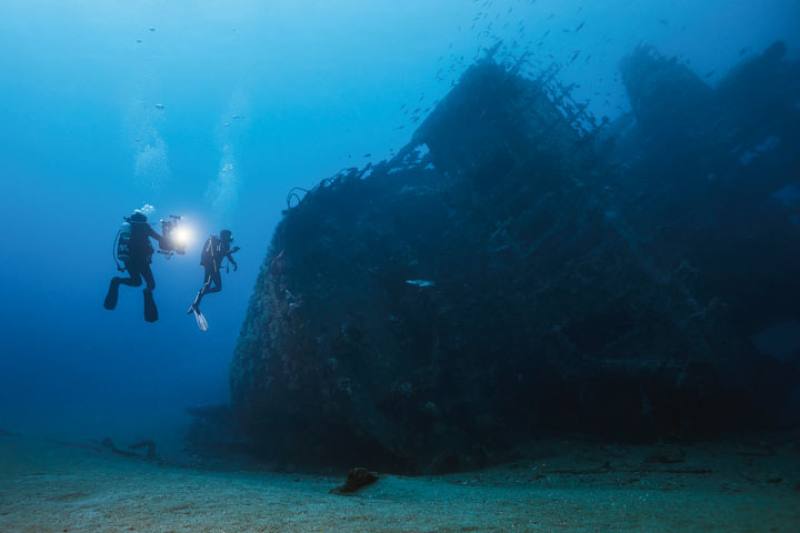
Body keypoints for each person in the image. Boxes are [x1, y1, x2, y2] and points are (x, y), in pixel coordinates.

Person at [103, 210, 165, 322]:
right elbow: (160, 238)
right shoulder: (145, 227)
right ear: (143, 220)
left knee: (136, 282)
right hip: (141, 261)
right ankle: (147, 294)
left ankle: (117, 281)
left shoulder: (130, 228)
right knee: (150, 285)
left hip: (129, 261)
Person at [189, 229, 240, 314]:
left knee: (217, 288)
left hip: (215, 268)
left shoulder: (225, 245)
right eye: (229, 236)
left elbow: (227, 255)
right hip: (210, 266)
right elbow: (220, 253)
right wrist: (232, 251)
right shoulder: (217, 243)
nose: (230, 238)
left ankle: (199, 297)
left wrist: (234, 263)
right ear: (224, 236)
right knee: (207, 285)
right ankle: (196, 303)